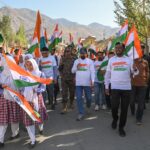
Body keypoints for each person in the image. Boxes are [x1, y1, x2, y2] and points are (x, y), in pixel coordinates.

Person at [105, 42, 137, 137]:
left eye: (120, 48)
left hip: (126, 88)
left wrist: (135, 69)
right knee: (114, 107)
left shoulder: (129, 60)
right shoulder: (111, 60)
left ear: (123, 49)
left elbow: (135, 73)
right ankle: (115, 118)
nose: (117, 49)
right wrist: (107, 86)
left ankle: (121, 127)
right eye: (116, 48)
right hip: (114, 87)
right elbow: (107, 74)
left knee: (124, 109)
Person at [23, 58, 48, 148]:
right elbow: (22, 86)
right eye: (27, 64)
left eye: (30, 64)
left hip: (37, 99)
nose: (29, 66)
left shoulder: (40, 74)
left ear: (34, 64)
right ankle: (33, 140)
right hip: (27, 100)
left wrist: (36, 90)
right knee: (28, 121)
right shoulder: (24, 74)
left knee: (38, 118)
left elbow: (43, 87)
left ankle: (40, 128)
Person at [0, 55, 20, 148]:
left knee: (14, 118)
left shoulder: (17, 74)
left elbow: (21, 86)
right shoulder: (1, 74)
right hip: (4, 98)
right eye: (4, 63)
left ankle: (15, 133)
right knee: (3, 120)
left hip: (14, 99)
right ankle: (1, 140)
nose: (5, 65)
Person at [72, 47, 95, 121]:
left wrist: (93, 81)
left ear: (86, 54)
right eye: (81, 53)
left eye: (84, 53)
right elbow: (72, 71)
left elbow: (92, 72)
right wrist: (76, 68)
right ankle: (81, 113)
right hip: (78, 83)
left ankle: (88, 106)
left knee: (89, 98)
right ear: (79, 54)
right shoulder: (76, 61)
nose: (82, 54)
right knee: (79, 98)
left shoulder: (90, 61)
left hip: (87, 83)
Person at [130, 57, 149, 125]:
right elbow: (129, 72)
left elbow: (147, 71)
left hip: (143, 85)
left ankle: (139, 118)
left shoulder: (145, 62)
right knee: (131, 101)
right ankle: (132, 111)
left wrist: (146, 81)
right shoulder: (131, 62)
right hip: (133, 85)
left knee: (141, 103)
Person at [59, 46, 76, 114]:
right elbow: (59, 69)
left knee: (72, 93)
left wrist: (75, 78)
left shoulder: (74, 59)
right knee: (64, 93)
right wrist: (61, 65)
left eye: (68, 51)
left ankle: (71, 103)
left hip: (72, 79)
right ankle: (64, 107)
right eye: (66, 51)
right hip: (64, 79)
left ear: (71, 52)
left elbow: (76, 69)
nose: (67, 53)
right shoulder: (62, 59)